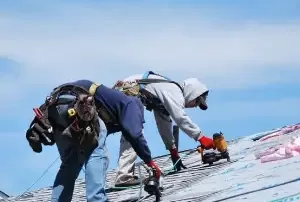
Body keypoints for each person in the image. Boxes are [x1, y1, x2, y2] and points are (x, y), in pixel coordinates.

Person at [25, 80, 162, 202]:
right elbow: (135, 134)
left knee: (70, 163)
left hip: (54, 109)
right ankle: (97, 199)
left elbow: (130, 135)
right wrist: (150, 162)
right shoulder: (132, 102)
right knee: (96, 153)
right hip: (77, 105)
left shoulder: (109, 101)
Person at [112, 71, 215, 187]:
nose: (195, 106)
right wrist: (200, 137)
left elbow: (164, 124)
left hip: (123, 95)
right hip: (126, 94)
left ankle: (124, 176)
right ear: (192, 94)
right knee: (134, 133)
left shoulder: (166, 95)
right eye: (197, 102)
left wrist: (173, 150)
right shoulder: (173, 91)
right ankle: (124, 177)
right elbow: (180, 117)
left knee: (130, 134)